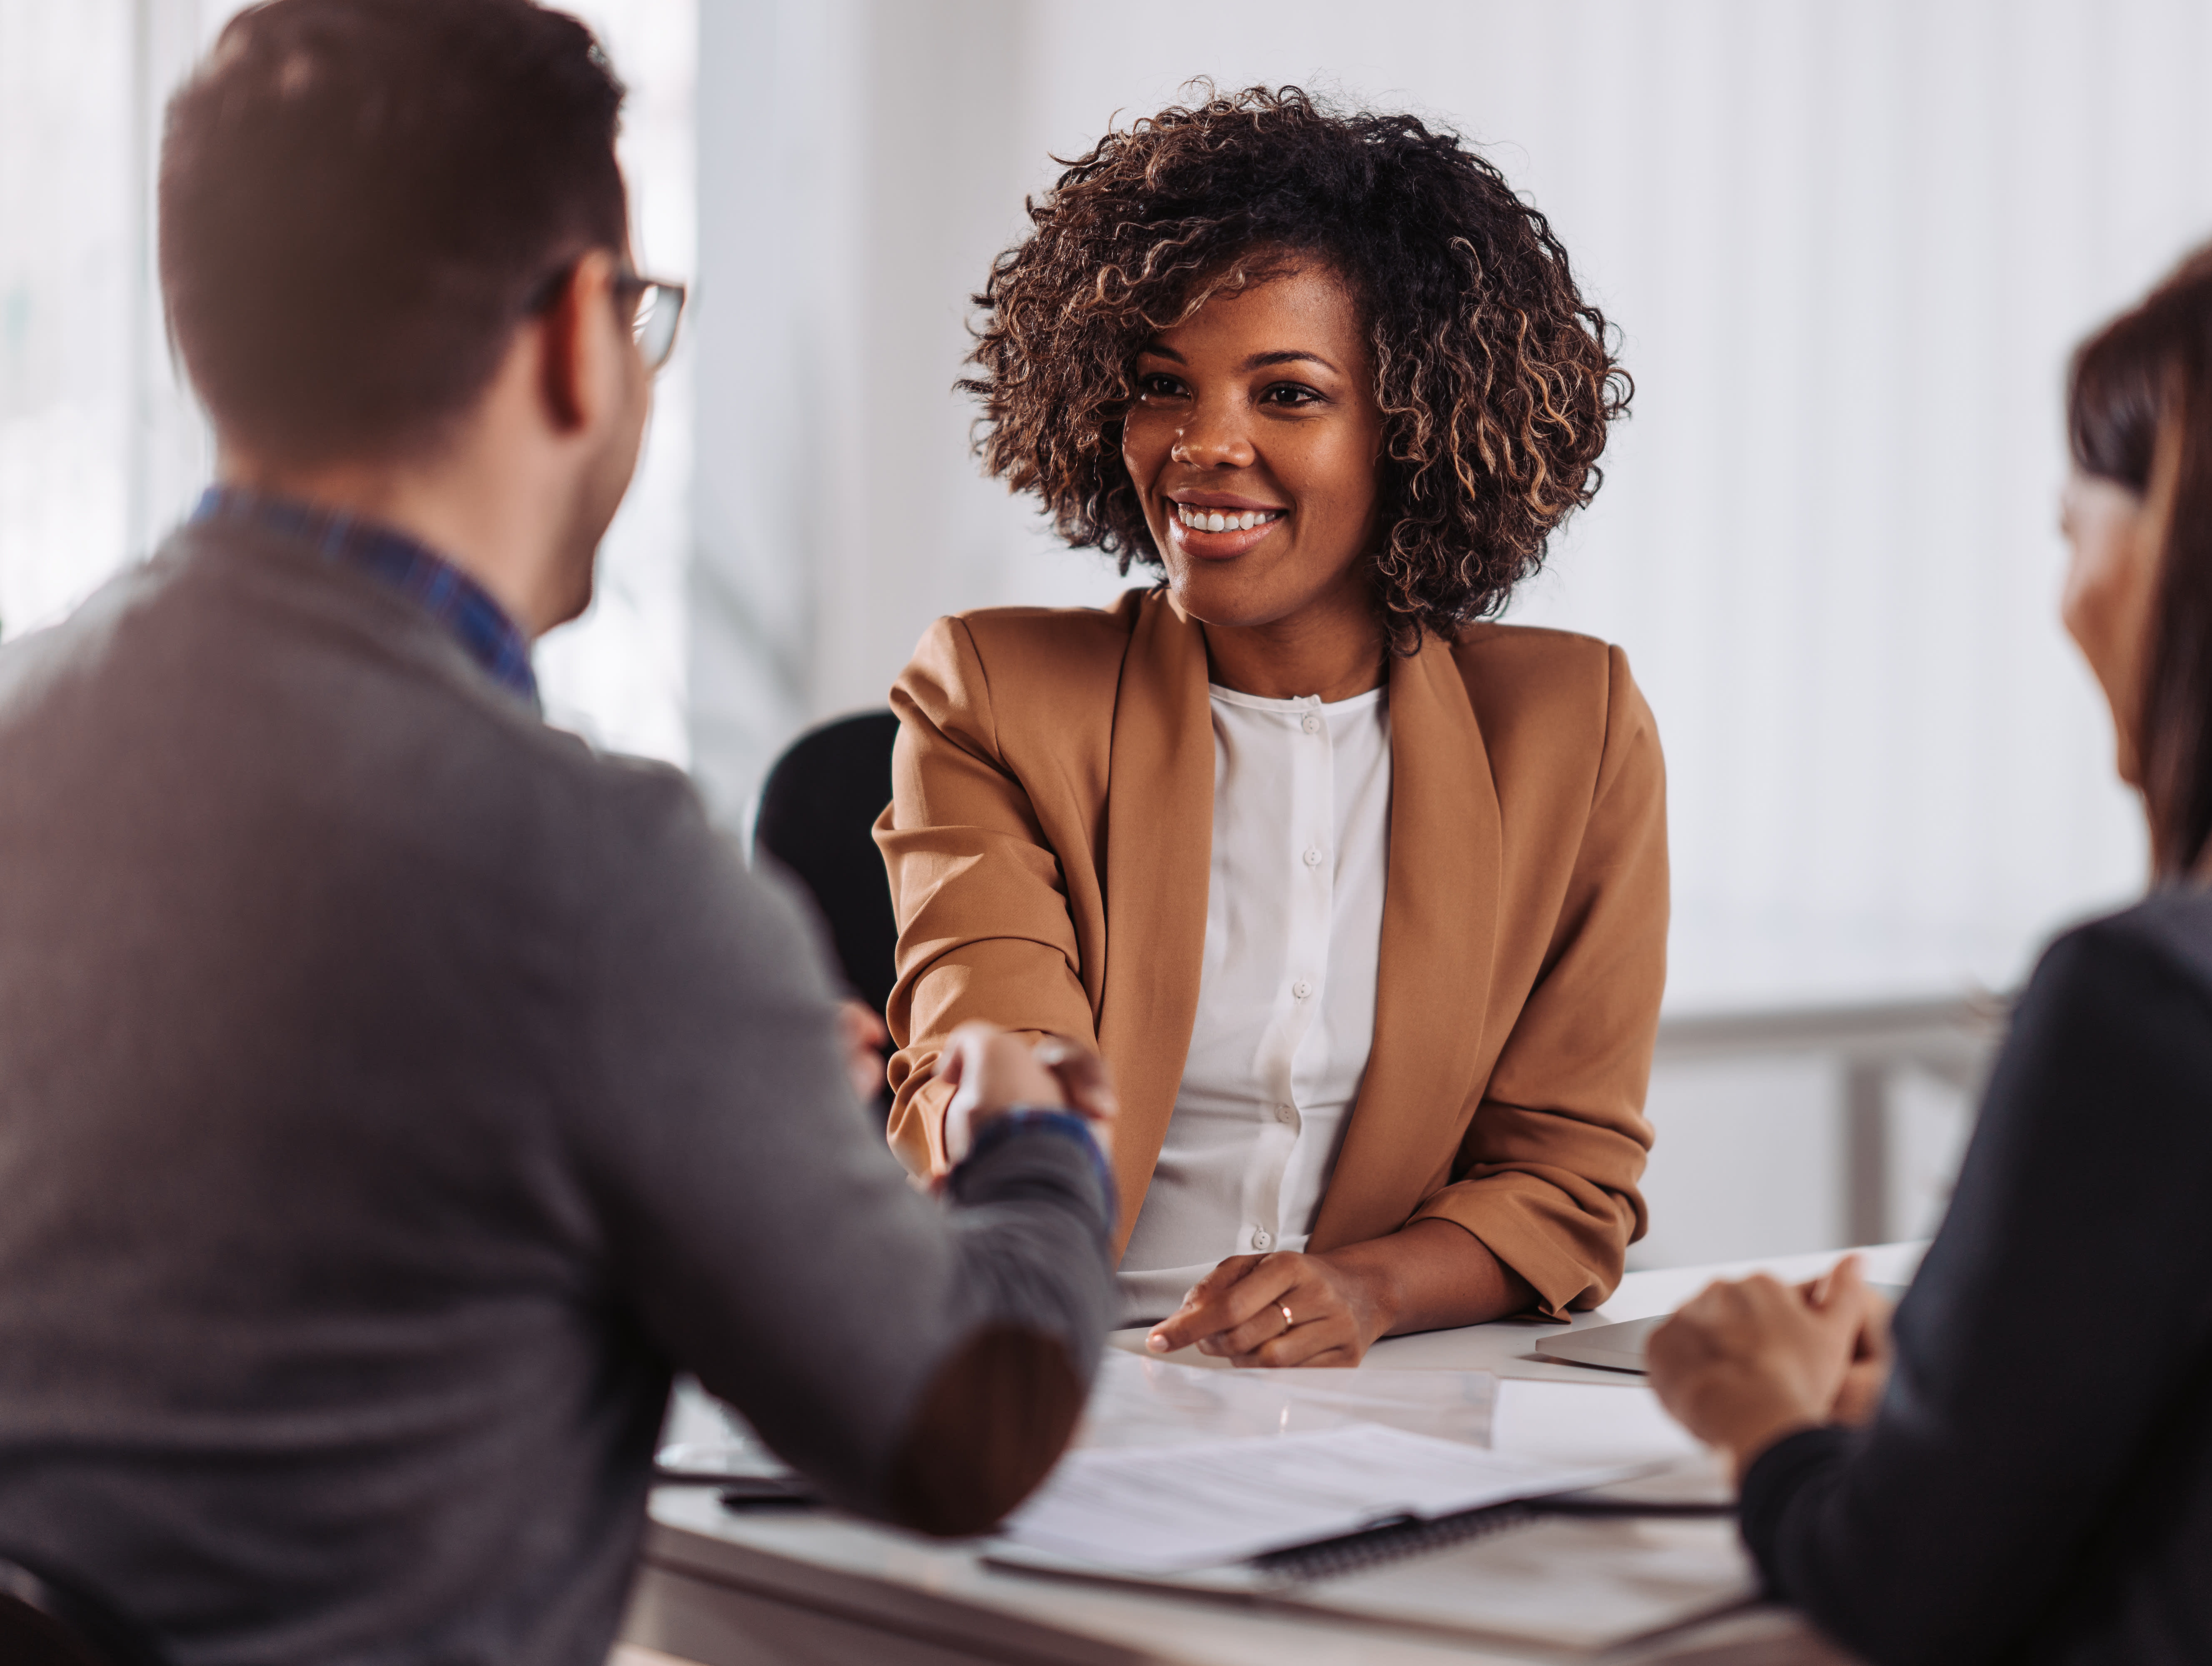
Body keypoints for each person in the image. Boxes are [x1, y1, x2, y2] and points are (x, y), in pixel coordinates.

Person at [0, 4, 1116, 1663]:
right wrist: (1035, 1145)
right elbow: (959, 1429)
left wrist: (721, 1085)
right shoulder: (601, 874)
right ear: (581, 339)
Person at [1646, 200, 2212, 1664]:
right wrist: (1973, 1406)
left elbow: (1901, 1585)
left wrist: (1763, 1412)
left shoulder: (2174, 999)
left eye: (2073, 532)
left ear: (2201, 553)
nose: (2064, 603)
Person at [878, 86, 1665, 1366]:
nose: (1201, 447)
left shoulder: (1571, 731)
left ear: (1411, 429)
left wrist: (1365, 1290)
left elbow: (1565, 1180)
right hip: (1051, 1369)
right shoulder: (994, 693)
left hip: (1383, 1395)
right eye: (1160, 384)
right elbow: (998, 1056)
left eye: (1286, 394)